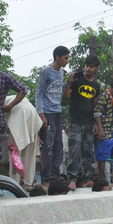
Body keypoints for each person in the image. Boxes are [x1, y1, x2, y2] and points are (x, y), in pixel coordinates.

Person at [64, 54, 101, 189]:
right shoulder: (77, 81)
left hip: (88, 122)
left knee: (87, 151)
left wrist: (97, 124)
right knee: (74, 149)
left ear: (96, 69)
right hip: (75, 121)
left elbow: (95, 106)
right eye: (86, 66)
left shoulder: (96, 85)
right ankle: (72, 178)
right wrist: (69, 82)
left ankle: (86, 178)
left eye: (91, 67)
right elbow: (65, 96)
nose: (88, 69)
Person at [36, 46, 69, 184]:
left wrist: (70, 82)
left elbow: (60, 91)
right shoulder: (46, 72)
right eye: (65, 58)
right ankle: (46, 178)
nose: (67, 61)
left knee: (58, 147)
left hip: (58, 112)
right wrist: (41, 115)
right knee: (48, 148)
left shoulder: (61, 73)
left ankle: (55, 177)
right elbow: (39, 93)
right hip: (47, 113)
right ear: (58, 57)